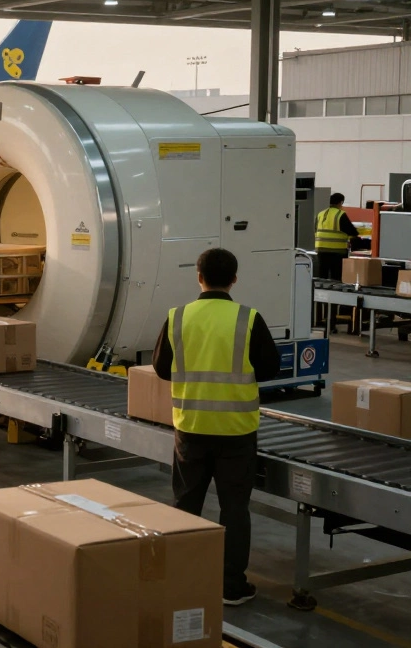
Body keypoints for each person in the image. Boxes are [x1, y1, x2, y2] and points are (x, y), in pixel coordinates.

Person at [152, 247, 278, 607]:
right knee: (234, 509)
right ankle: (231, 586)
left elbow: (162, 368)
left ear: (198, 276)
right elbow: (269, 369)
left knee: (185, 502)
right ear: (234, 279)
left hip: (190, 428)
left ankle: (180, 577)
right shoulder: (248, 318)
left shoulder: (177, 317)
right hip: (236, 432)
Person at [314, 193, 358, 281]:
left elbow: (315, 230)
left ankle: (320, 293)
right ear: (341, 203)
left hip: (321, 249)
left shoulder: (320, 214)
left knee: (322, 275)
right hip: (337, 251)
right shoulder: (340, 214)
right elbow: (352, 231)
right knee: (336, 276)